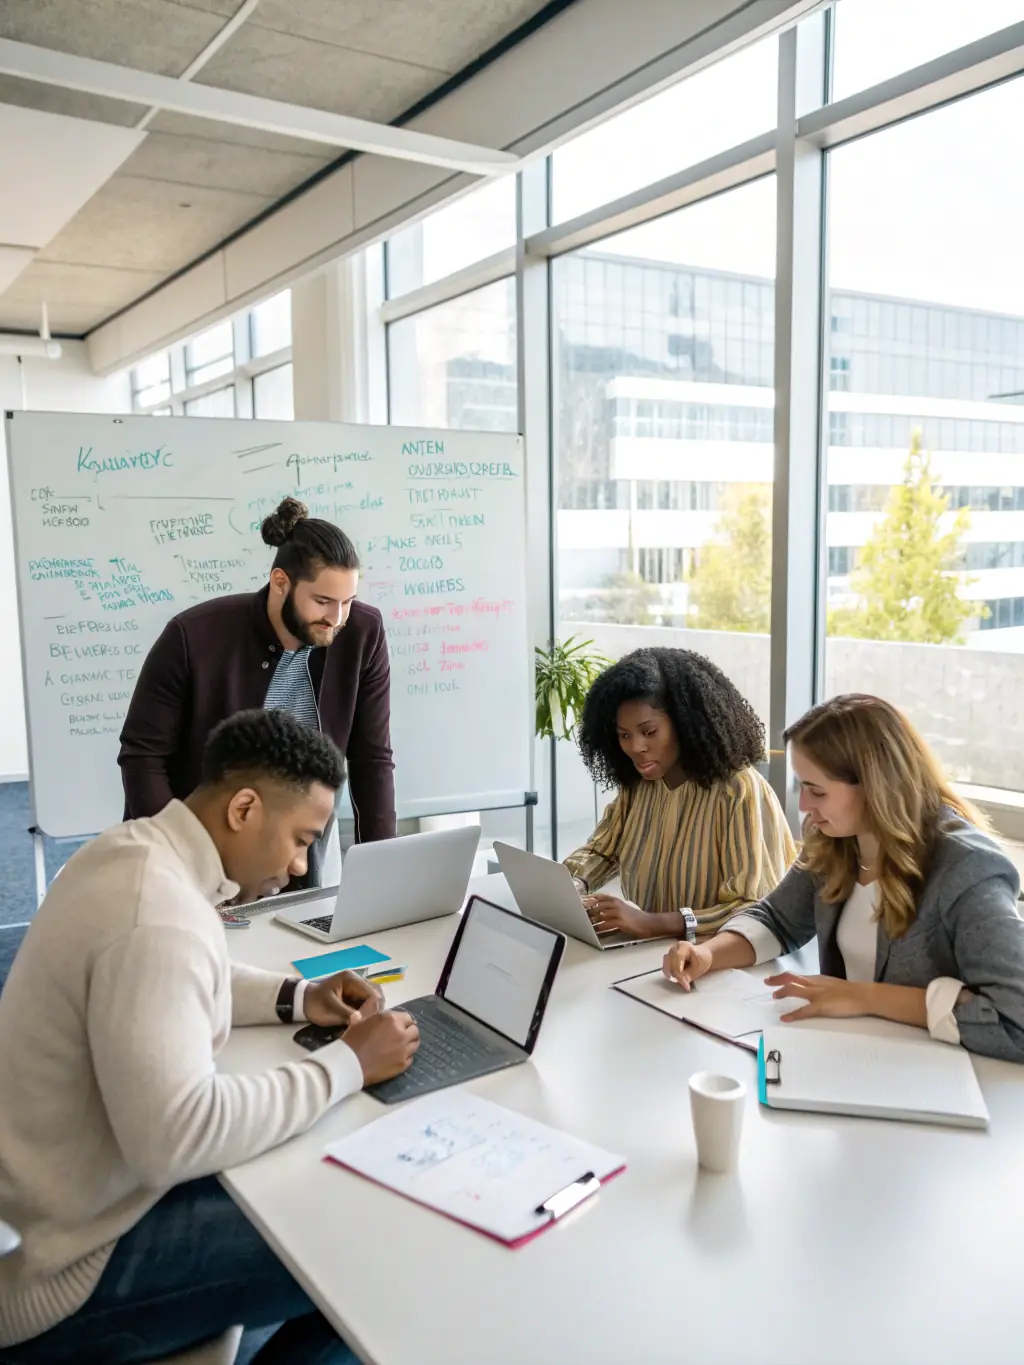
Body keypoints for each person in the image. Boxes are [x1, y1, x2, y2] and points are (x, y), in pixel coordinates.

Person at [0, 709, 420, 1363]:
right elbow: (178, 1136)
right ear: (245, 807)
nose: (300, 863)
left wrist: (298, 996)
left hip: (57, 1211)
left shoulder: (131, 852)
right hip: (63, 1271)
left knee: (314, 1165)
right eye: (301, 838)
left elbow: (188, 978)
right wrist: (347, 1064)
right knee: (376, 1239)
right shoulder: (159, 915)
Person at [662, 693, 1024, 1062]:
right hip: (850, 1058)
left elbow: (1017, 1020)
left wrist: (863, 997)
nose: (804, 806)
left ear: (875, 786)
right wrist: (708, 953)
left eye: (816, 790)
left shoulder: (969, 868)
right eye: (801, 786)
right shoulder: (835, 839)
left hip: (942, 1075)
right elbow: (778, 920)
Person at [118, 496, 395, 888]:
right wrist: (183, 859)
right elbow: (142, 757)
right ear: (281, 582)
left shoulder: (363, 633)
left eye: (347, 602)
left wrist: (382, 874)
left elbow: (372, 758)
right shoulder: (192, 636)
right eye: (322, 601)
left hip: (297, 844)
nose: (336, 620)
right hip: (198, 842)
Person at [564, 648, 795, 940]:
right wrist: (572, 886)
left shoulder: (739, 791)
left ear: (687, 724)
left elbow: (752, 906)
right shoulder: (638, 786)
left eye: (648, 732)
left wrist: (651, 923)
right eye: (624, 735)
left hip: (719, 963)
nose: (635, 747)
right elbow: (602, 851)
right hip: (651, 954)